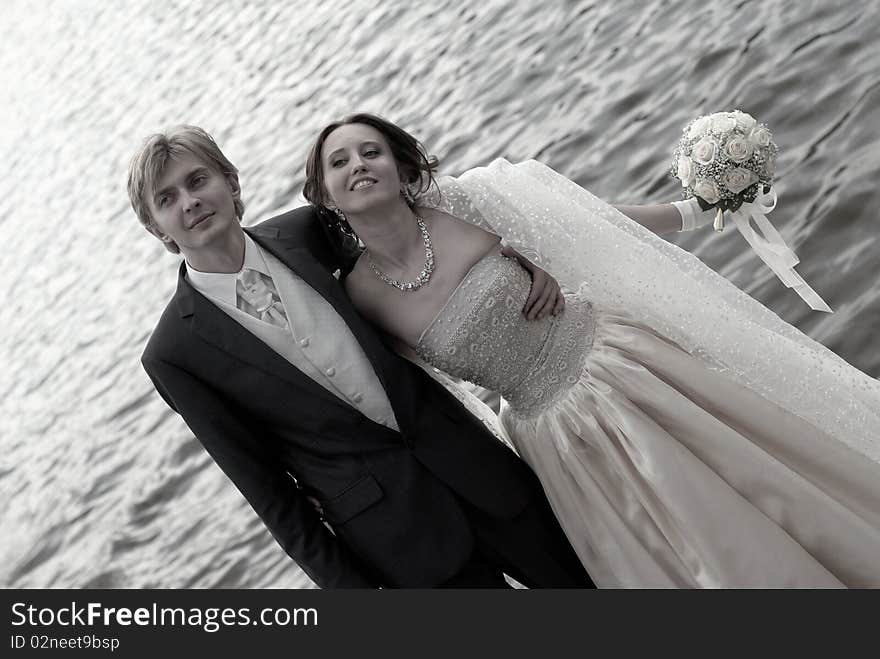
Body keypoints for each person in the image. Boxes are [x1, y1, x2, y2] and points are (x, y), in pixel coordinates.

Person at [302, 113, 880, 588]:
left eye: (370, 151)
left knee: (763, 484)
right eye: (340, 161)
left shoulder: (462, 203)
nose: (358, 164)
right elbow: (430, 401)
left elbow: (588, 225)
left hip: (626, 370)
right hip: (558, 443)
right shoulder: (360, 300)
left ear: (401, 167)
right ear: (324, 196)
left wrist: (696, 212)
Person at [127, 125, 595, 589]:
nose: (189, 201)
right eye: (166, 199)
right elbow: (268, 493)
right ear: (155, 228)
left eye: (197, 180)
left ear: (230, 182)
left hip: (480, 470)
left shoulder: (308, 231)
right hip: (399, 544)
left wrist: (519, 256)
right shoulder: (174, 353)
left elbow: (420, 240)